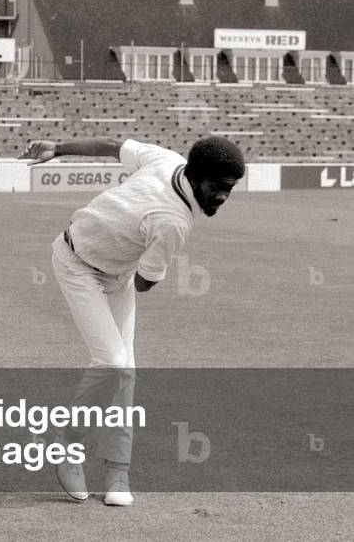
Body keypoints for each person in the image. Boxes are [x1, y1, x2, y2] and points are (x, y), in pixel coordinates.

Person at [20, 136, 245, 507]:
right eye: (215, 186)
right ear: (194, 175)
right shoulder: (174, 222)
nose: (221, 196)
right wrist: (150, 256)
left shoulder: (166, 159)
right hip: (77, 265)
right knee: (111, 362)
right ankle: (66, 446)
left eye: (229, 189)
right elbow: (144, 283)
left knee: (126, 371)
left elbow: (113, 146)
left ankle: (117, 472)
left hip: (116, 272)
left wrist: (58, 148)